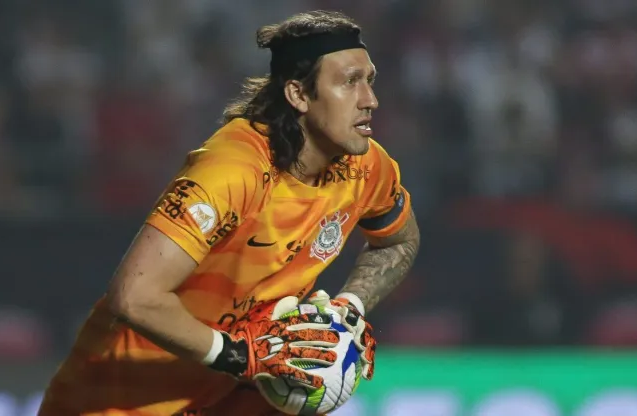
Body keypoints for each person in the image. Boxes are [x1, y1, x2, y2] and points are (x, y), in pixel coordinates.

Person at [38, 10, 420, 416]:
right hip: (116, 405)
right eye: (349, 82)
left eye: (370, 80)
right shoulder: (233, 170)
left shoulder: (367, 168)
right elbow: (135, 296)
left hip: (231, 397)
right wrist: (240, 356)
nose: (370, 100)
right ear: (298, 94)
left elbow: (399, 240)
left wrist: (349, 307)